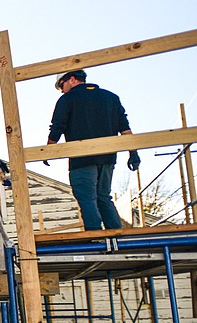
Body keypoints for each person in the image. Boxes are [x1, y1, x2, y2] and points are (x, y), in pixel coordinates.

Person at [47, 69, 140, 231]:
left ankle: (96, 238)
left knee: (86, 198)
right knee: (103, 197)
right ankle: (117, 235)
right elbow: (124, 128)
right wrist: (133, 153)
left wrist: (49, 149)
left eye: (61, 85)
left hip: (81, 159)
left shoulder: (67, 99)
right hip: (107, 158)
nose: (61, 90)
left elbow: (57, 127)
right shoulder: (111, 98)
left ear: (72, 80)